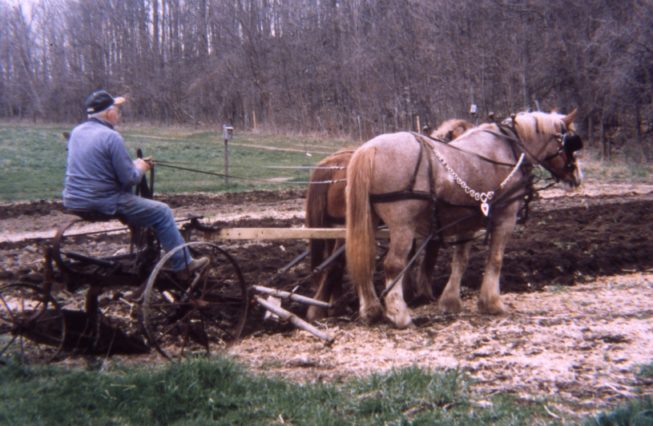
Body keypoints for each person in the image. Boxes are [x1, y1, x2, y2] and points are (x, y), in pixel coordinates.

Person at [63, 90, 208, 275]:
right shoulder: (111, 136)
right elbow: (130, 178)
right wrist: (142, 167)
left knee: (138, 202)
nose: (119, 114)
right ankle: (183, 263)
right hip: (102, 201)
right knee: (162, 212)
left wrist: (136, 164)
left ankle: (143, 247)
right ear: (109, 114)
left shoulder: (77, 132)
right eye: (117, 109)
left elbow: (101, 167)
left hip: (74, 200)